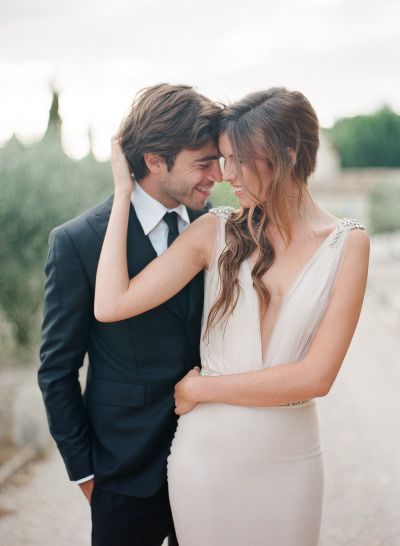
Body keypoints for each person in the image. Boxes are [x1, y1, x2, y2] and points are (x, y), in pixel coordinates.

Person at [95, 87, 370, 546]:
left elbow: (316, 376)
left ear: (287, 153)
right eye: (221, 158)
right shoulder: (213, 231)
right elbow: (111, 305)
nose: (225, 175)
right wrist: (123, 194)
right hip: (204, 461)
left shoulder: (348, 244)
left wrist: (204, 387)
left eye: (238, 159)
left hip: (291, 462)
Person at [38, 83, 223, 546]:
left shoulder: (218, 227)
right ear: (155, 161)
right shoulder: (78, 242)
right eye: (203, 162)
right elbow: (57, 371)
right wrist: (86, 473)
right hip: (121, 473)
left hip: (211, 462)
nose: (216, 175)